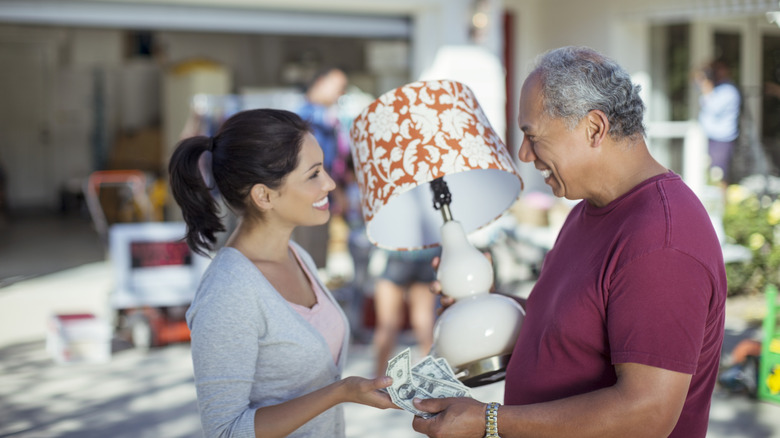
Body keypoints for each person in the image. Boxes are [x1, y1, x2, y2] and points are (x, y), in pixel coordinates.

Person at [412, 46, 727, 438]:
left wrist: (489, 420)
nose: (525, 154)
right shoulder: (590, 207)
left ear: (594, 128)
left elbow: (647, 413)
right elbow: (579, 326)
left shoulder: (661, 238)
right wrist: (489, 305)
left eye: (532, 136)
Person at [168, 108, 396, 438]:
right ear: (264, 195)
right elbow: (225, 432)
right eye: (314, 174)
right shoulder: (229, 293)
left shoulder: (296, 254)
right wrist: (340, 392)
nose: (330, 183)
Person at [293, 67, 350, 269]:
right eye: (339, 87)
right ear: (320, 82)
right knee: (306, 261)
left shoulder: (325, 117)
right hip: (308, 199)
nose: (340, 93)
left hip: (321, 199)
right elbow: (313, 165)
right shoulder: (305, 118)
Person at [372, 247, 440, 378]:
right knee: (424, 319)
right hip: (426, 256)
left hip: (397, 255)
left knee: (387, 323)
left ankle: (378, 378)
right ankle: (432, 376)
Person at [695, 59, 741, 185]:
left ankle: (723, 203)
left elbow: (712, 107)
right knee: (707, 174)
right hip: (710, 138)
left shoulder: (729, 90)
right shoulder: (717, 88)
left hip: (721, 140)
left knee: (719, 175)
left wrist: (707, 87)